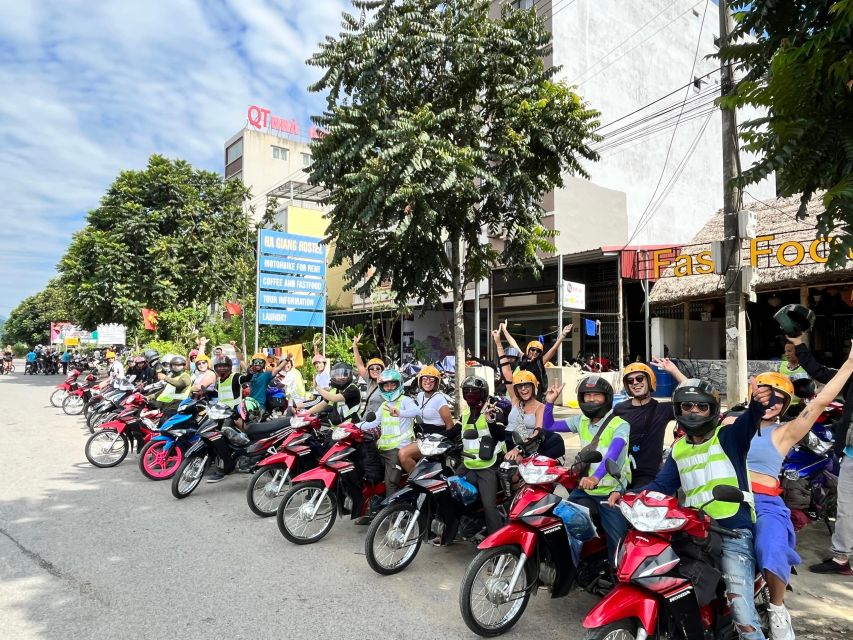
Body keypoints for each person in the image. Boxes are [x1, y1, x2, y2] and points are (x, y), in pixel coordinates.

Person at [608, 378, 775, 640]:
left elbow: (750, 419)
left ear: (712, 409)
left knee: (743, 615)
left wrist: (758, 401)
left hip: (733, 533)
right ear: (679, 410)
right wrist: (628, 495)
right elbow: (662, 485)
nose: (694, 412)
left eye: (701, 407)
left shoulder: (729, 437)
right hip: (693, 530)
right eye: (687, 406)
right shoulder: (679, 448)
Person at [746, 361, 853, 640]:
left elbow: (820, 403)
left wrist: (849, 364)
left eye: (778, 400)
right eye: (766, 396)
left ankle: (777, 609)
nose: (771, 403)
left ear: (784, 406)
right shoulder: (733, 422)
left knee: (772, 547)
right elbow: (698, 409)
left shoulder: (785, 432)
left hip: (765, 503)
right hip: (723, 499)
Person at [543, 375, 630, 564]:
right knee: (559, 522)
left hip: (611, 493)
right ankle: (570, 568)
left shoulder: (620, 425)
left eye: (596, 395)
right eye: (587, 395)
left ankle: (616, 581)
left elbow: (612, 454)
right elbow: (548, 426)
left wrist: (596, 478)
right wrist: (549, 402)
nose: (591, 400)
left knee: (618, 545)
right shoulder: (581, 421)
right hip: (585, 490)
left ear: (606, 398)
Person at [786, 332, 853, 575]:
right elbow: (820, 373)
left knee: (847, 508)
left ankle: (842, 559)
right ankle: (841, 559)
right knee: (846, 508)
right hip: (849, 452)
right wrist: (799, 343)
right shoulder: (849, 375)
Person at [613, 358, 686, 488]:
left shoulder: (663, 410)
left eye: (640, 378)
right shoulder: (620, 409)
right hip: (621, 472)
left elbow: (694, 395)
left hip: (647, 476)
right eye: (630, 381)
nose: (635, 383)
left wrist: (674, 371)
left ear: (649, 380)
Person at [458, 375, 506, 534]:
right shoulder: (465, 414)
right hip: (467, 464)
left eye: (474, 391)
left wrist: (491, 422)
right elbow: (453, 432)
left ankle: (498, 544)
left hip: (488, 466)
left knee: (489, 505)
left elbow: (500, 435)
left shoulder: (494, 410)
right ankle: (450, 532)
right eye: (467, 391)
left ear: (483, 393)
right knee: (447, 489)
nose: (470, 394)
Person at [360, 369, 418, 498]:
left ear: (399, 385)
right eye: (386, 385)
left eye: (392, 384)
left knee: (390, 482)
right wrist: (353, 426)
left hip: (398, 449)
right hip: (383, 448)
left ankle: (391, 514)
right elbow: (373, 422)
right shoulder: (385, 404)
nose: (389, 388)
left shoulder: (405, 400)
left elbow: (416, 411)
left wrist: (400, 412)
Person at [398, 365, 456, 472]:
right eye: (424, 378)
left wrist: (442, 444)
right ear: (420, 381)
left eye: (431, 379)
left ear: (436, 382)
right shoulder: (420, 395)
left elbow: (450, 425)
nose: (427, 382)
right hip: (424, 436)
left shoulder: (439, 399)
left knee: (403, 454)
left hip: (436, 438)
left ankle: (417, 479)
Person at [499, 322, 572, 400]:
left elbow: (553, 349)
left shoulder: (540, 361)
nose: (535, 352)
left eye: (538, 351)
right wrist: (504, 330)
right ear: (528, 350)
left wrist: (563, 335)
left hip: (537, 394)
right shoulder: (524, 358)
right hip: (523, 390)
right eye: (533, 349)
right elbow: (513, 344)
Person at [352, 332, 385, 416]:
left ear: (382, 370)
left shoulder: (387, 384)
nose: (374, 370)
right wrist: (355, 347)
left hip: (380, 422)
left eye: (378, 368)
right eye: (371, 368)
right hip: (367, 419)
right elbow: (359, 365)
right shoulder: (369, 381)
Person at [778, 342, 808, 411]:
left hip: (802, 407)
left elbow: (820, 385)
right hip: (784, 406)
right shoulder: (781, 365)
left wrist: (807, 398)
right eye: (785, 351)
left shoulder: (807, 366)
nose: (786, 354)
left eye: (789, 351)